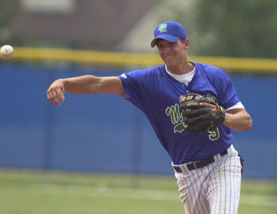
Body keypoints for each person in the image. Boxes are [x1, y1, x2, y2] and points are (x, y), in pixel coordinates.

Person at [47, 21, 252, 214]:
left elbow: (245, 122)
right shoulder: (149, 82)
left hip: (223, 164)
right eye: (160, 46)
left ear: (186, 43)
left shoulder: (213, 75)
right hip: (187, 174)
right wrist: (63, 82)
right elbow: (98, 83)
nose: (166, 51)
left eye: (171, 44)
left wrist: (221, 115)